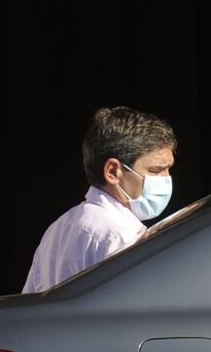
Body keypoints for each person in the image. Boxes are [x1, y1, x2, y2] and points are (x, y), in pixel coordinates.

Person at [23, 106, 177, 292]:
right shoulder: (120, 236)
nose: (166, 179)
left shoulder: (56, 230)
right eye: (155, 170)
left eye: (169, 170)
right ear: (113, 172)